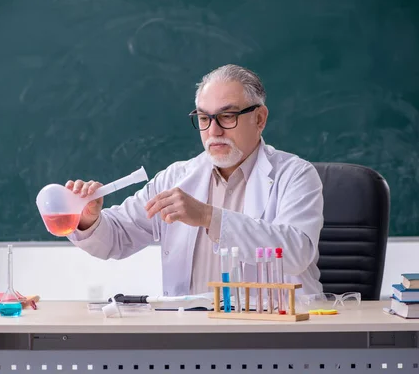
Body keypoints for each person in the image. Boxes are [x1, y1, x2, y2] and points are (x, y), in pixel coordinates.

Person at [66, 64, 324, 297]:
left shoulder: (295, 175)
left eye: (227, 116)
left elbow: (296, 252)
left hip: (274, 333)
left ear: (260, 118)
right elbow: (117, 238)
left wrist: (209, 217)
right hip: (194, 332)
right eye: (204, 118)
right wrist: (89, 219)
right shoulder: (176, 178)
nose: (213, 131)